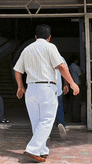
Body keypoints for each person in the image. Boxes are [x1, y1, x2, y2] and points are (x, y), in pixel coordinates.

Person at [14, 24, 79, 163]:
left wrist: (20, 87)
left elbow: (18, 70)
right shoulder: (50, 47)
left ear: (35, 37)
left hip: (31, 88)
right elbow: (61, 66)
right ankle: (32, 149)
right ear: (49, 37)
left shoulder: (27, 49)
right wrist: (72, 83)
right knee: (47, 120)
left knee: (36, 122)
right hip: (46, 88)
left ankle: (42, 150)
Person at [53, 58, 68, 139]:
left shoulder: (39, 57)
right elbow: (64, 70)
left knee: (45, 111)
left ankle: (46, 131)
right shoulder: (59, 57)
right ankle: (60, 123)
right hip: (57, 88)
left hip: (45, 89)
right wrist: (66, 84)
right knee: (59, 107)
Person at [68, 55, 83, 123]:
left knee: (73, 102)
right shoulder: (76, 67)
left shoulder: (70, 67)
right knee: (77, 102)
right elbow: (80, 76)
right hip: (77, 85)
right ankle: (76, 118)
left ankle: (73, 117)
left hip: (71, 85)